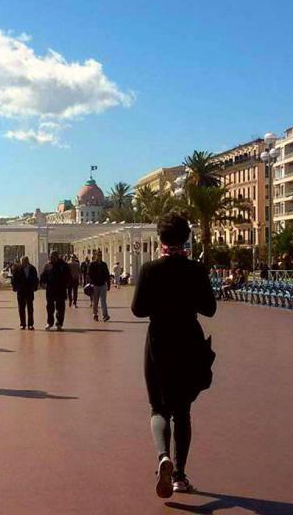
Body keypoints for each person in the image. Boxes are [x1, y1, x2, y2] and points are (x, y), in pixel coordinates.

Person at [131, 213, 217, 498]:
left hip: (158, 342)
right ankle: (179, 476)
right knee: (182, 411)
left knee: (158, 408)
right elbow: (210, 309)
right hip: (188, 341)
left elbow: (138, 310)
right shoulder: (196, 270)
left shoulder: (150, 270)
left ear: (160, 239)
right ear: (186, 238)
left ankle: (162, 457)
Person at [40, 250, 72, 330]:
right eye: (50, 257)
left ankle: (59, 323)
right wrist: (42, 283)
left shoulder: (63, 265)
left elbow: (68, 276)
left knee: (60, 307)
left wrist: (66, 285)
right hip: (50, 289)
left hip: (60, 289)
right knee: (49, 307)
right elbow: (43, 275)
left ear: (57, 257)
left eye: (52, 257)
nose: (51, 258)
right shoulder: (47, 265)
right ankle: (49, 323)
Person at [11, 256, 40, 329]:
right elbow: (14, 279)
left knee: (30, 308)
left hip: (29, 290)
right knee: (21, 308)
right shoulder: (17, 269)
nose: (22, 263)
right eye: (21, 262)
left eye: (23, 262)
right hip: (21, 291)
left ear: (27, 261)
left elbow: (35, 278)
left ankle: (30, 324)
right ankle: (22, 324)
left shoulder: (32, 268)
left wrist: (35, 287)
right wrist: (15, 287)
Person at [87, 250, 111, 322]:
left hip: (103, 285)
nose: (100, 256)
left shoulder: (104, 264)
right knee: (95, 301)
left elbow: (107, 274)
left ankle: (105, 315)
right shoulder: (92, 264)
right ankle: (95, 314)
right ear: (95, 255)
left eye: (101, 255)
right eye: (98, 255)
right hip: (95, 285)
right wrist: (91, 283)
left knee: (103, 301)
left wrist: (108, 284)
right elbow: (89, 274)